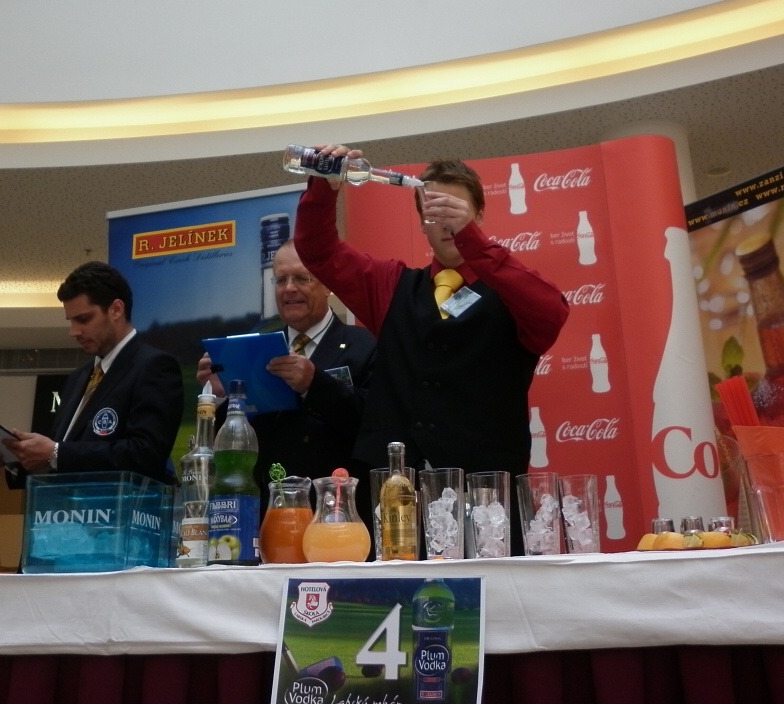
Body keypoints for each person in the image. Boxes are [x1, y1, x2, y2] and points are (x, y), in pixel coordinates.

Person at [294, 146, 569, 553]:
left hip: (486, 498)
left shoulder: (511, 290)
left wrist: (476, 245)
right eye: (435, 211)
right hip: (396, 494)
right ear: (422, 222)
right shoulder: (393, 285)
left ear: (479, 216)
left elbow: (552, 312)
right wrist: (324, 187)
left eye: (456, 210)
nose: (447, 223)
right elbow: (319, 251)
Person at [197, 240, 377, 521]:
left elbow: (375, 427)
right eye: (281, 280)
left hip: (336, 515)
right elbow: (230, 452)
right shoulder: (254, 350)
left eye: (302, 278)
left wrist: (313, 385)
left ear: (328, 284)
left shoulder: (364, 344)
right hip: (268, 517)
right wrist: (222, 397)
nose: (289, 288)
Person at [0, 261, 184, 486]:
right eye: (71, 321)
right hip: (63, 506)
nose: (73, 332)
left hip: (123, 506)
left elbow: (146, 454)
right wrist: (15, 457)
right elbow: (63, 460)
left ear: (116, 310)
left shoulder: (154, 366)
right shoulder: (78, 378)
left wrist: (55, 452)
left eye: (83, 319)